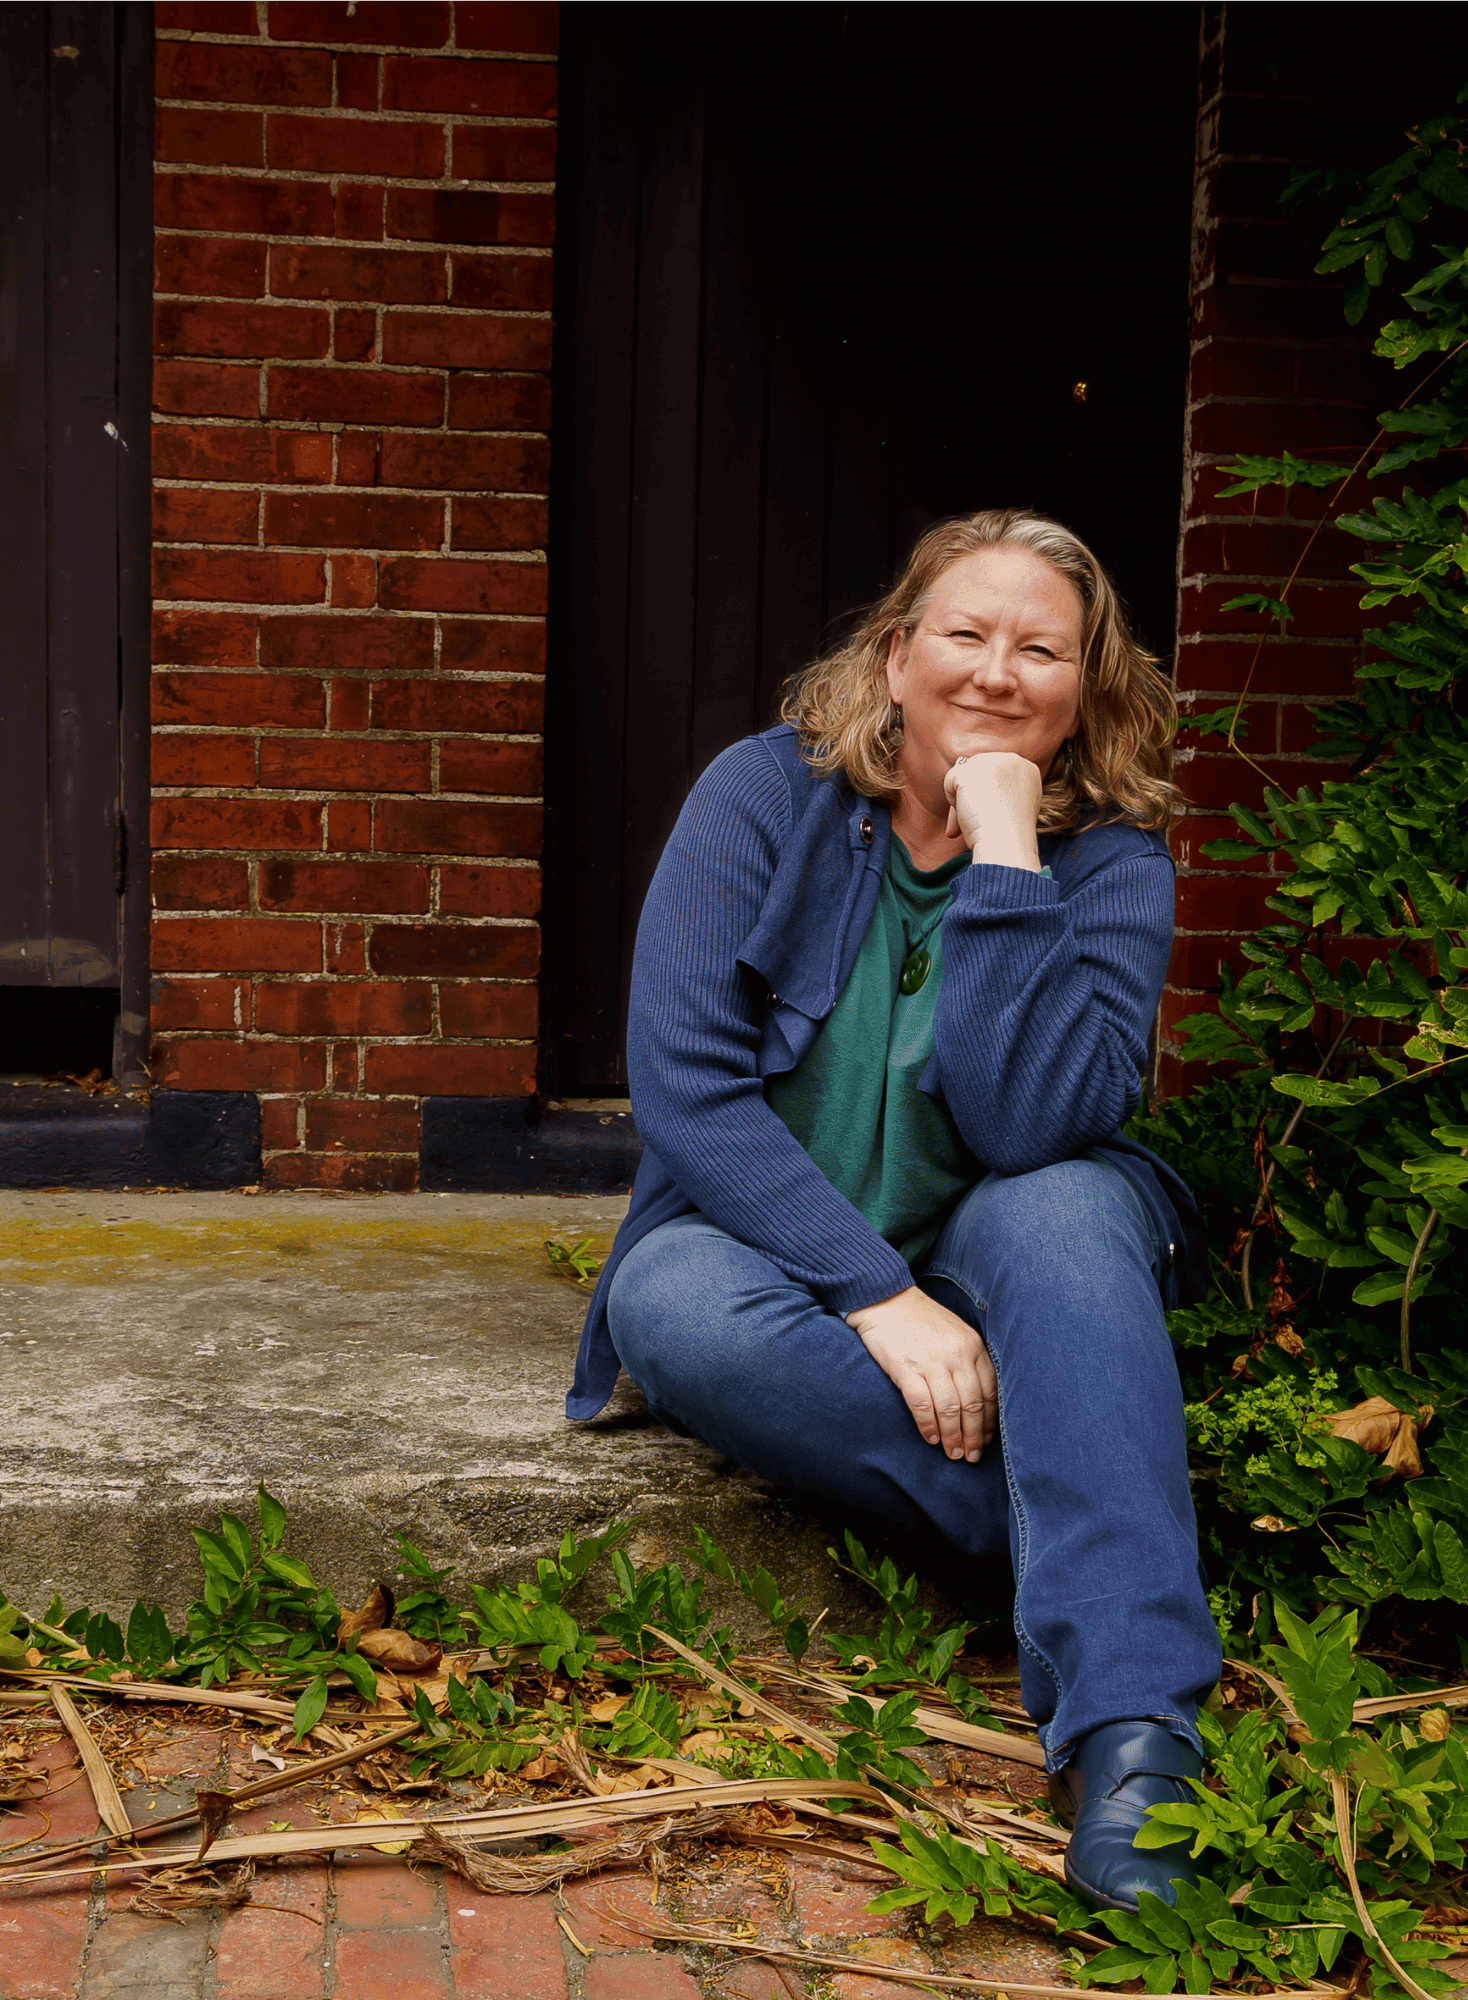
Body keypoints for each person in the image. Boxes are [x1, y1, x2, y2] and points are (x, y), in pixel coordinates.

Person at [566, 508, 1222, 1913]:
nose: (996, 672)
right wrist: (875, 1291)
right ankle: (1090, 1514)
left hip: (1009, 1226)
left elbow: (1035, 1122)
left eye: (1041, 650)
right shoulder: (762, 795)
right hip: (781, 1246)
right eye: (964, 633)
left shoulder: (1114, 860)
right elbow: (685, 1089)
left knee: (1063, 1214)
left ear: (1086, 689)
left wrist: (1006, 854)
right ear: (894, 654)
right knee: (670, 1304)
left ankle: (1134, 1735)